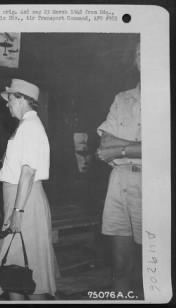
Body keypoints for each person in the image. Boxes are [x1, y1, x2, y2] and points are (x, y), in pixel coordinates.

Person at [0, 79, 57, 300]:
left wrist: (18, 212)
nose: (7, 104)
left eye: (10, 99)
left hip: (25, 202)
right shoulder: (26, 126)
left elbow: (28, 172)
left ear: (21, 99)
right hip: (20, 198)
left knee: (31, 275)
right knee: (14, 272)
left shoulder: (30, 127)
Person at [96, 42, 143, 298]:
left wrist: (121, 150)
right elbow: (104, 144)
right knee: (120, 265)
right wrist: (138, 147)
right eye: (138, 53)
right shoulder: (122, 98)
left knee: (153, 261)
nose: (141, 57)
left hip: (151, 183)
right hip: (118, 183)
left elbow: (163, 148)